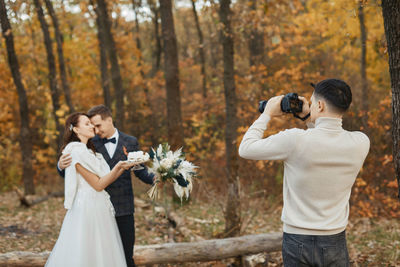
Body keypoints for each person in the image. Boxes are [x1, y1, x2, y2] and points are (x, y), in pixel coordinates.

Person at [238, 79, 370, 266]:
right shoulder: (360, 142)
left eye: (312, 101)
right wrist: (309, 118)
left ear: (320, 105)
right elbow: (324, 141)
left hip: (297, 239)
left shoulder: (294, 140)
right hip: (334, 239)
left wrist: (267, 113)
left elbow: (246, 148)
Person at [57, 105, 154, 267]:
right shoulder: (89, 143)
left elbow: (140, 170)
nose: (95, 129)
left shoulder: (130, 141)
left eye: (98, 125)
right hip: (94, 210)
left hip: (123, 207)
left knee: (124, 256)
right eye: (91, 125)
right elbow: (72, 171)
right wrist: (60, 165)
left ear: (109, 120)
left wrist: (156, 178)